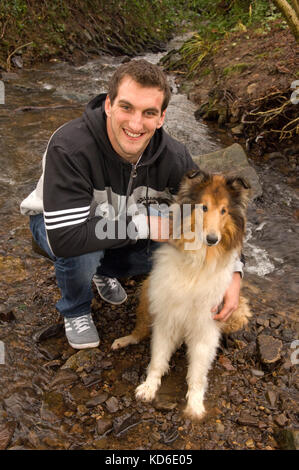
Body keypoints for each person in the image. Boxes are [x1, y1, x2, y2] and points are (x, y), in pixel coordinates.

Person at [20, 59, 243, 350]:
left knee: (184, 229)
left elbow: (216, 211)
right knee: (87, 247)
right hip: (57, 229)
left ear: (161, 117)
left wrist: (233, 274)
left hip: (122, 221)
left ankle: (105, 271)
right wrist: (145, 224)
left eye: (149, 113)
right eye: (126, 107)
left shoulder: (174, 156)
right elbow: (67, 238)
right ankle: (75, 308)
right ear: (109, 104)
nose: (136, 124)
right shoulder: (70, 147)